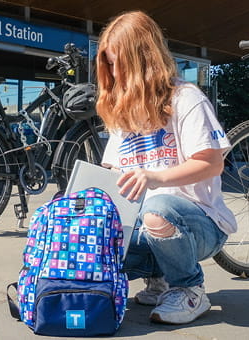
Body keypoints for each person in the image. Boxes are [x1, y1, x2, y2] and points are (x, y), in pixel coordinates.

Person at [95, 11, 236, 325]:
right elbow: (112, 173)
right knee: (94, 231)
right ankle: (159, 278)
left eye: (118, 62)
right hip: (147, 226)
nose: (113, 71)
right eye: (109, 63)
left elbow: (212, 163)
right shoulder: (125, 110)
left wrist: (154, 177)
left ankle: (189, 289)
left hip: (200, 224)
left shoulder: (186, 99)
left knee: (156, 210)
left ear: (142, 58)